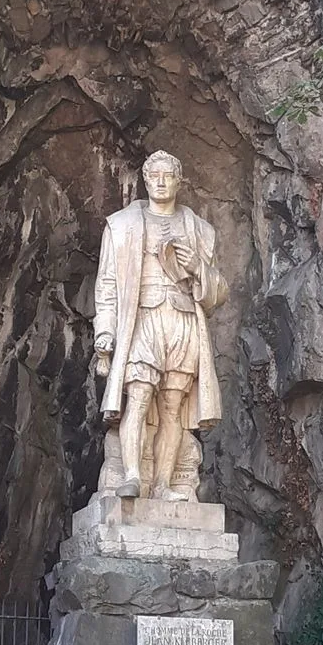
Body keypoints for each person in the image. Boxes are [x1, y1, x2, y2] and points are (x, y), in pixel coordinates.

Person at [93, 150, 228, 501]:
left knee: (173, 407)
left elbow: (219, 292)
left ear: (179, 181)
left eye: (168, 176)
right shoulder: (121, 226)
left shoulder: (199, 229)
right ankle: (133, 475)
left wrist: (198, 267)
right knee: (137, 396)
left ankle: (165, 484)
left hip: (182, 318)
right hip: (142, 320)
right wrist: (104, 331)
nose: (161, 182)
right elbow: (107, 284)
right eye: (155, 176)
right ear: (145, 179)